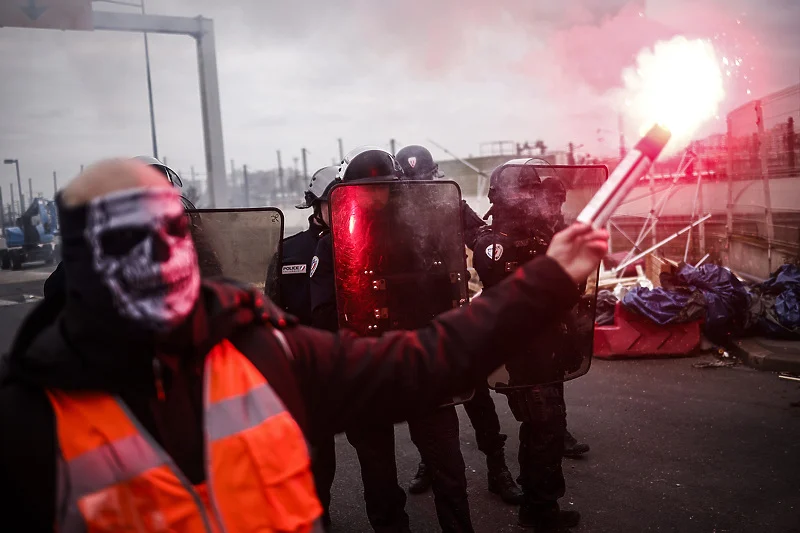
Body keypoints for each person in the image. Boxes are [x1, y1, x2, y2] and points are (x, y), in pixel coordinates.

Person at [0, 158, 607, 532]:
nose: (156, 257)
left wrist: (549, 280)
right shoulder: (28, 417)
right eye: (124, 242)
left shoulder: (264, 355)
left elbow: (430, 358)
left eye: (171, 230)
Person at [396, 144, 523, 505]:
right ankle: (428, 461)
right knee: (427, 402)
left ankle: (497, 469)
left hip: (452, 312)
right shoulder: (390, 215)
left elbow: (480, 236)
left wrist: (494, 247)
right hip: (414, 320)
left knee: (476, 396)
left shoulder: (450, 205)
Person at [473, 163, 593, 531]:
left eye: (532, 191)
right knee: (543, 426)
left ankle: (539, 502)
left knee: (547, 429)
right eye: (524, 191)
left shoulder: (543, 234)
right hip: (524, 351)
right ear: (503, 196)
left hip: (549, 346)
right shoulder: (495, 242)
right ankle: (540, 509)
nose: (532, 199)